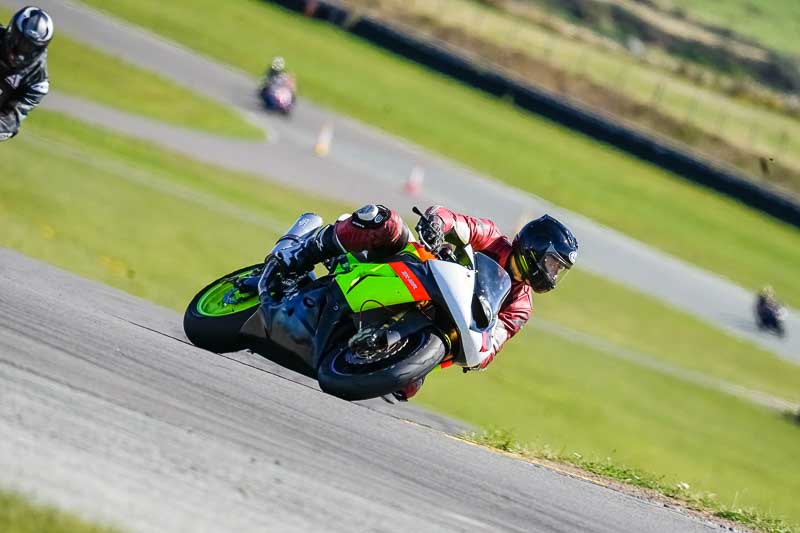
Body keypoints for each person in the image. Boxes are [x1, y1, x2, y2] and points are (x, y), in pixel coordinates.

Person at [264, 204, 578, 401]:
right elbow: (454, 221)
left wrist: (481, 352)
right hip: (419, 270)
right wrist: (437, 226)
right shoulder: (492, 238)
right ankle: (299, 254)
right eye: (553, 264)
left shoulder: (521, 306)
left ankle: (360, 346)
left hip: (441, 326)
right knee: (384, 222)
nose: (553, 275)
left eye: (559, 271)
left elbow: (494, 342)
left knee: (407, 387)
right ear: (535, 248)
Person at [0, 6, 53, 142]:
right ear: (12, 33)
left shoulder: (37, 81)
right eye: (21, 43)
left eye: (31, 48)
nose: (22, 54)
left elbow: (10, 121)